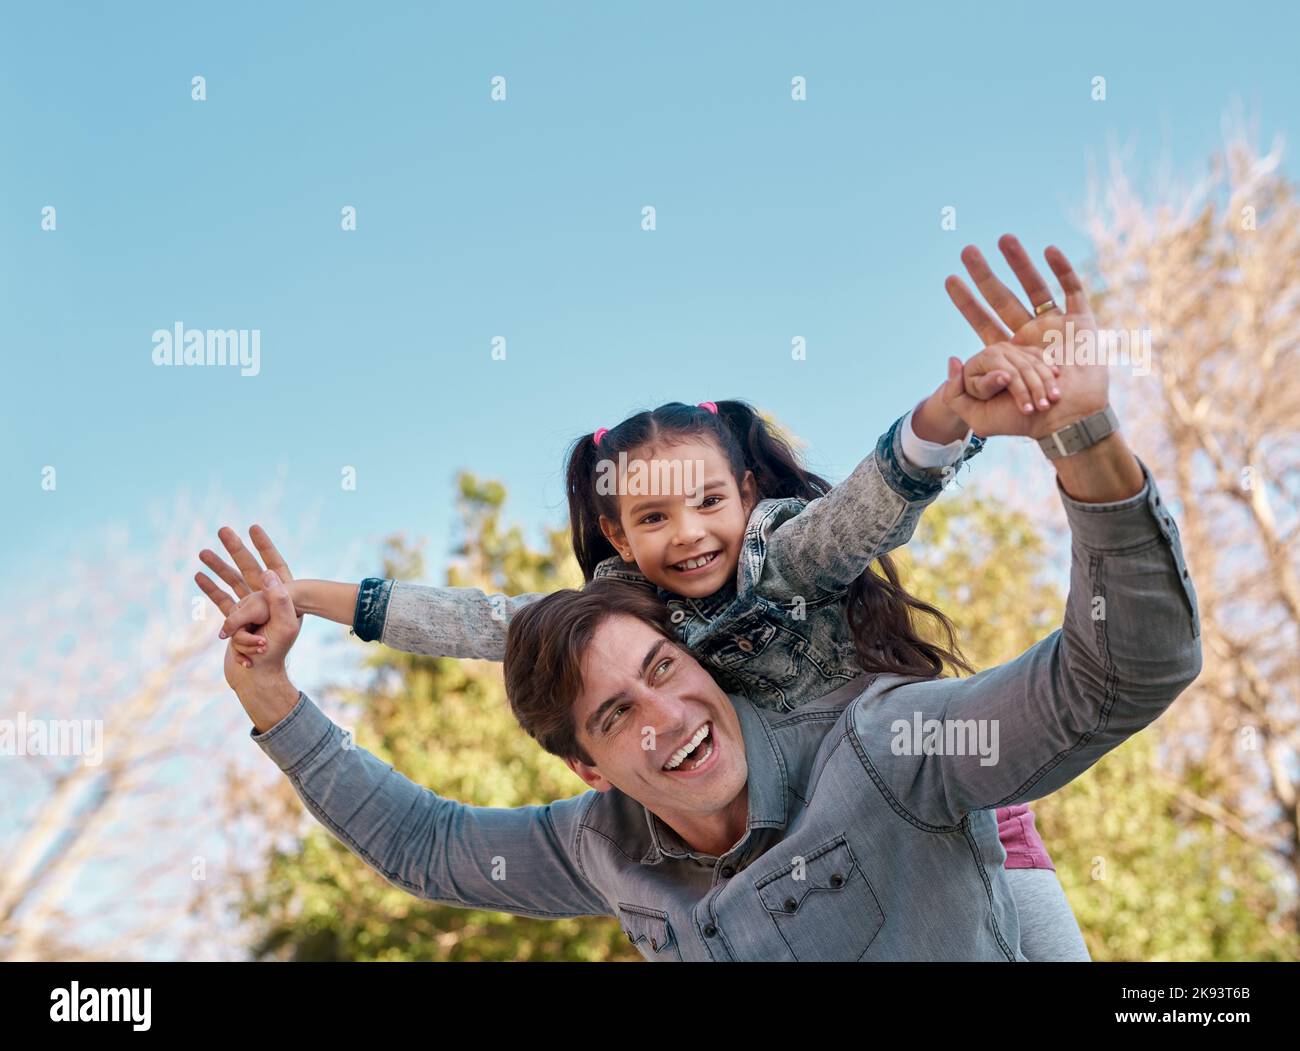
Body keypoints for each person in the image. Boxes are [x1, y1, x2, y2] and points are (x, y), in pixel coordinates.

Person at [204, 238, 1202, 959]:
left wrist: (970, 420)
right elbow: (463, 656)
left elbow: (875, 507)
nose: (686, 537)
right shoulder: (612, 736)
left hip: (938, 806)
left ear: (748, 497)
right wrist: (303, 609)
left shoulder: (804, 592)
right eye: (650, 521)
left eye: (707, 505)